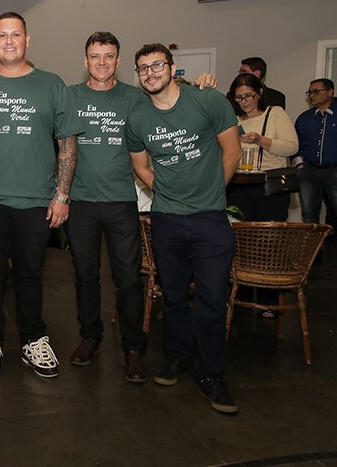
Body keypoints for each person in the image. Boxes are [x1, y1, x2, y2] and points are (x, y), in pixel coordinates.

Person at [0, 12, 78, 381]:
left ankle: (33, 340)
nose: (9, 41)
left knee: (30, 274)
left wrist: (62, 195)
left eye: (16, 35)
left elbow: (67, 144)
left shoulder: (52, 84)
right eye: (2, 35)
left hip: (35, 200)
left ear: (28, 40)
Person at [126, 43, 242, 414]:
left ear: (172, 67)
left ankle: (212, 374)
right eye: (143, 68)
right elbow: (140, 166)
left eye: (157, 64)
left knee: (211, 299)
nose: (150, 72)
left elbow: (233, 152)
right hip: (167, 220)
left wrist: (212, 192)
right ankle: (178, 356)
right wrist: (165, 192)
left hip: (210, 219)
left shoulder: (207, 101)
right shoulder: (138, 118)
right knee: (174, 295)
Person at [63, 32, 150, 382]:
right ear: (85, 60)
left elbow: (167, 109)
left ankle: (133, 347)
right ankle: (90, 336)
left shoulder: (135, 98)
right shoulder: (69, 96)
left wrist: (200, 90)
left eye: (109, 56)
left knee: (128, 278)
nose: (102, 62)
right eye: (95, 56)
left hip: (121, 201)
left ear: (118, 60)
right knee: (85, 276)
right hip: (80, 202)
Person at [226, 73, 298, 221]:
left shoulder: (275, 113)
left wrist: (260, 140)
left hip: (270, 185)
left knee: (268, 232)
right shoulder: (234, 120)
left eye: (248, 96)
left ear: (259, 93)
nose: (244, 101)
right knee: (240, 230)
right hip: (239, 185)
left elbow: (292, 147)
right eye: (239, 97)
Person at [295, 79, 337, 224]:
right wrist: (299, 164)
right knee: (309, 215)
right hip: (309, 171)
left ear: (330, 92)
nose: (311, 95)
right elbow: (295, 144)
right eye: (309, 92)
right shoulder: (304, 118)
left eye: (316, 91)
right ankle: (313, 240)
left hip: (334, 171)